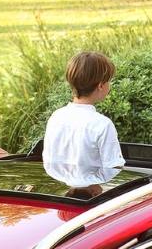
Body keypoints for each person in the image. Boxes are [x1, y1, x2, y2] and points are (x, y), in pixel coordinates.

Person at [43, 51, 124, 190]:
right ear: (100, 85)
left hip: (62, 193)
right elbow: (113, 168)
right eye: (109, 81)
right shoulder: (102, 124)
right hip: (94, 196)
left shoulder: (56, 117)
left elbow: (50, 162)